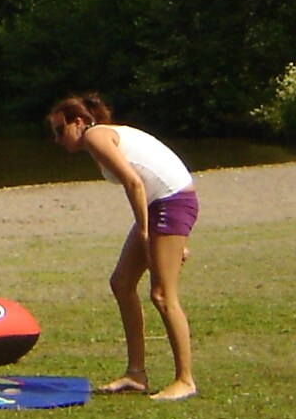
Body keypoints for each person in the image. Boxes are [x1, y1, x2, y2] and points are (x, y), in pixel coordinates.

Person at [50, 93, 198, 401]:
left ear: (78, 123)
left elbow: (134, 183)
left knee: (162, 294)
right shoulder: (101, 137)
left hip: (171, 203)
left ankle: (185, 380)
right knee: (122, 283)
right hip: (163, 204)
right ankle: (136, 373)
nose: (57, 139)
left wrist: (147, 233)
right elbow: (146, 177)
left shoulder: (95, 136)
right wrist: (160, 239)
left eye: (59, 130)